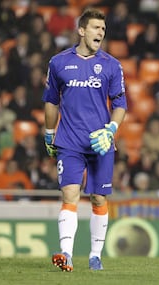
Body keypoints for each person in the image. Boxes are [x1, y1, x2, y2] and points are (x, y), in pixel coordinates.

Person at [42, 9, 127, 272]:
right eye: (95, 28)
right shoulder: (58, 62)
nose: (100, 33)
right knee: (70, 194)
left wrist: (111, 129)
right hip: (69, 141)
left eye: (103, 29)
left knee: (99, 199)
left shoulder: (112, 65)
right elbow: (51, 101)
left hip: (100, 143)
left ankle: (95, 256)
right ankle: (66, 254)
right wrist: (48, 132)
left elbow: (121, 103)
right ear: (81, 30)